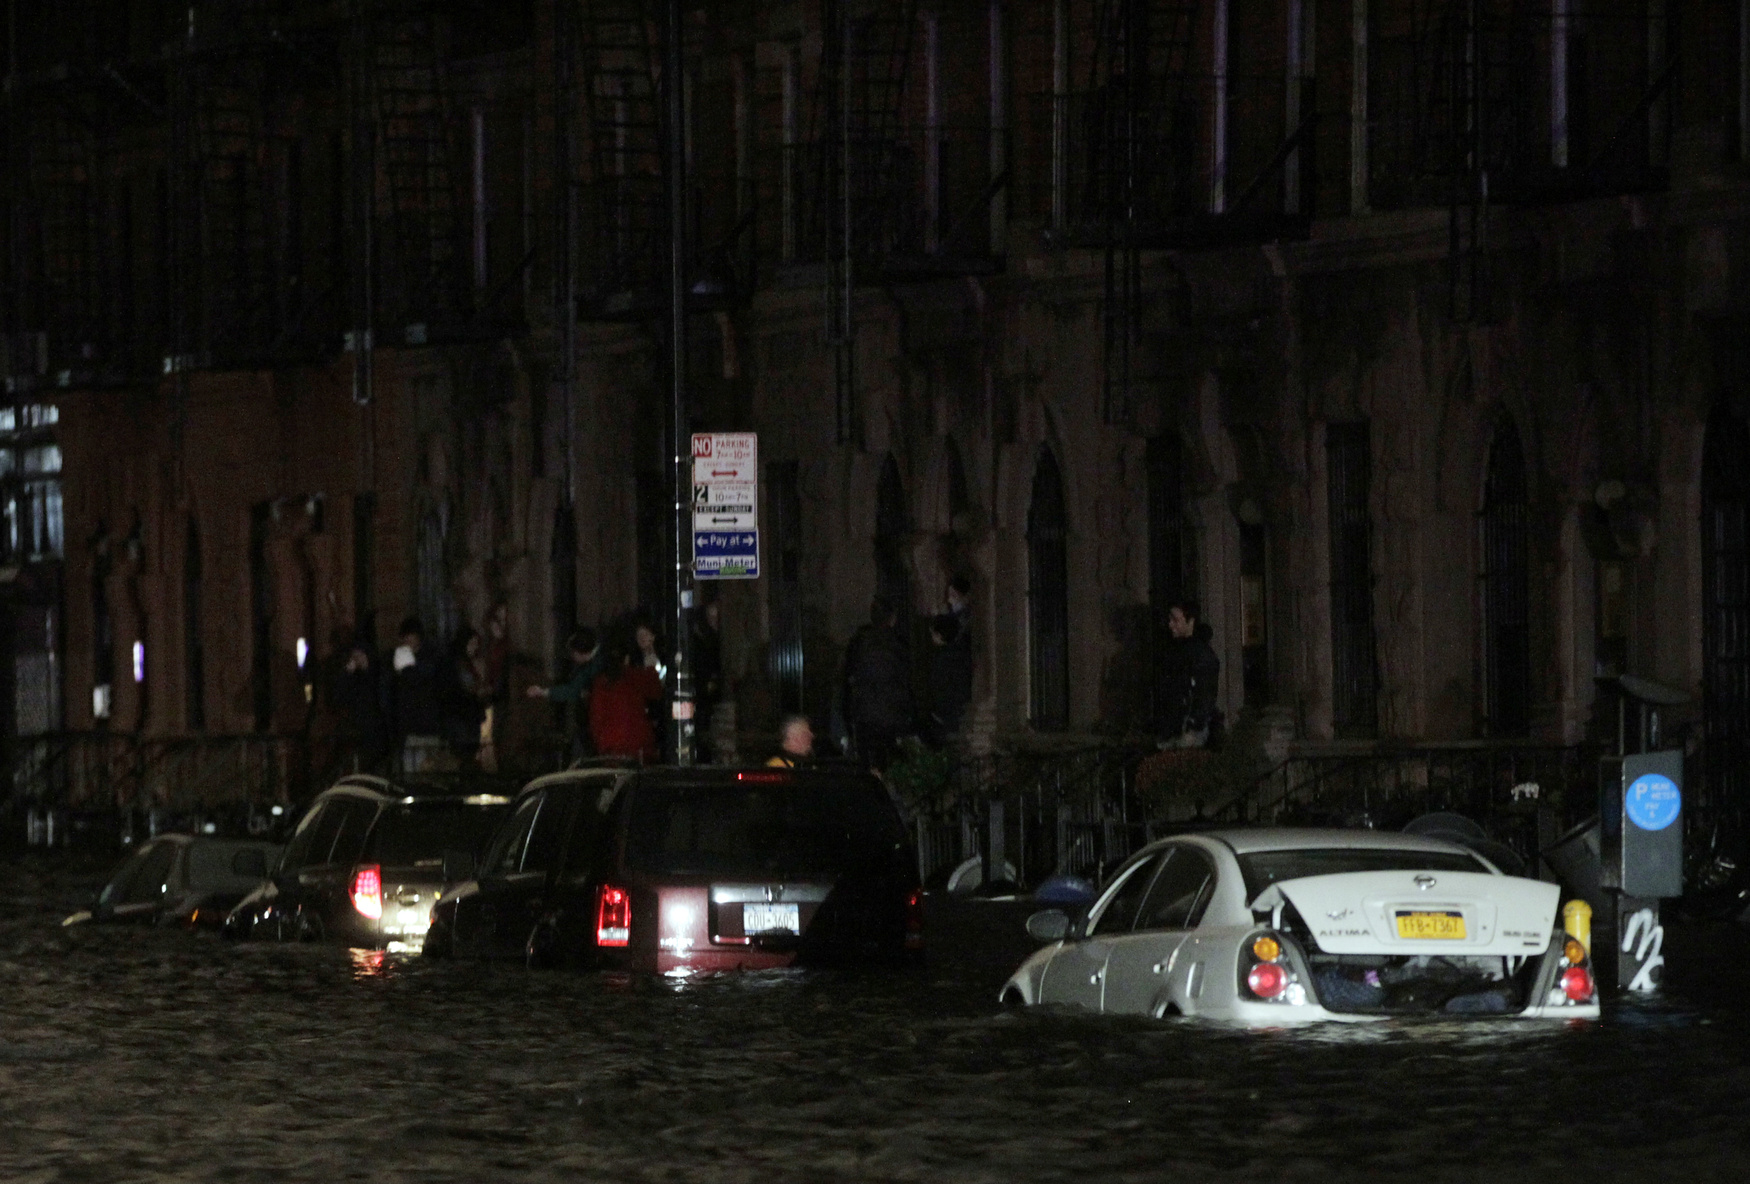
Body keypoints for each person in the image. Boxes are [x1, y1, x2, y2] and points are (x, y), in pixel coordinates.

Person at [843, 595, 913, 772]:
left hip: (865, 714)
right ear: (892, 618)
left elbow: (848, 676)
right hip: (892, 714)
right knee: (889, 763)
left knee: (867, 763)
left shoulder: (859, 642)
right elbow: (906, 679)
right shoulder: (898, 644)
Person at [527, 627, 606, 757]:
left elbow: (572, 690)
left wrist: (544, 692)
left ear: (580, 653)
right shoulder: (595, 662)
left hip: (596, 721)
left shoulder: (593, 668)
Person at [588, 639, 665, 762]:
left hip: (611, 746)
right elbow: (656, 690)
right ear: (627, 659)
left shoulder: (601, 683)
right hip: (639, 744)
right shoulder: (634, 677)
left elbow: (596, 718)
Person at [1160, 598, 1220, 748]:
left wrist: (1193, 727)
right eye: (1170, 619)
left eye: (1175, 620)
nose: (1170, 624)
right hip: (1174, 729)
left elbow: (1205, 693)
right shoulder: (1176, 651)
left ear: (1190, 621)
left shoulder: (1200, 655)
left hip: (1189, 732)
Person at [388, 616, 444, 772]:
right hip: (410, 728)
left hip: (428, 726)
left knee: (429, 772)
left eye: (411, 637)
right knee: (412, 773)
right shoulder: (400, 659)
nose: (408, 641)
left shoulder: (430, 659)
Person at [927, 575, 973, 743]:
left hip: (950, 713)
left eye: (953, 595)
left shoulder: (966, 622)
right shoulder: (955, 622)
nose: (950, 600)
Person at [438, 626, 489, 762]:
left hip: (464, 717)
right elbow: (469, 687)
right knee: (465, 756)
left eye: (476, 644)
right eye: (472, 644)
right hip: (463, 717)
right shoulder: (460, 663)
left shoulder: (462, 662)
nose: (474, 648)